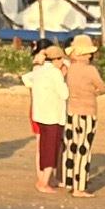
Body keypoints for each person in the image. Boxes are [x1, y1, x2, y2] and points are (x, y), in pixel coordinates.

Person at [60, 37, 105, 195]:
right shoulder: (90, 70)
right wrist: (94, 92)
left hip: (71, 111)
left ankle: (68, 181)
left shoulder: (70, 69)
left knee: (70, 147)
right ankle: (79, 187)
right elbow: (102, 88)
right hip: (87, 112)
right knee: (83, 149)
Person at [22, 43, 68, 193]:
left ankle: (44, 179)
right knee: (50, 149)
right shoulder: (55, 73)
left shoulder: (39, 71)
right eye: (60, 59)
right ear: (56, 59)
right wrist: (62, 78)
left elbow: (26, 79)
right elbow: (64, 94)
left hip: (39, 114)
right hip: (52, 116)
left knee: (43, 147)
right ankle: (43, 182)